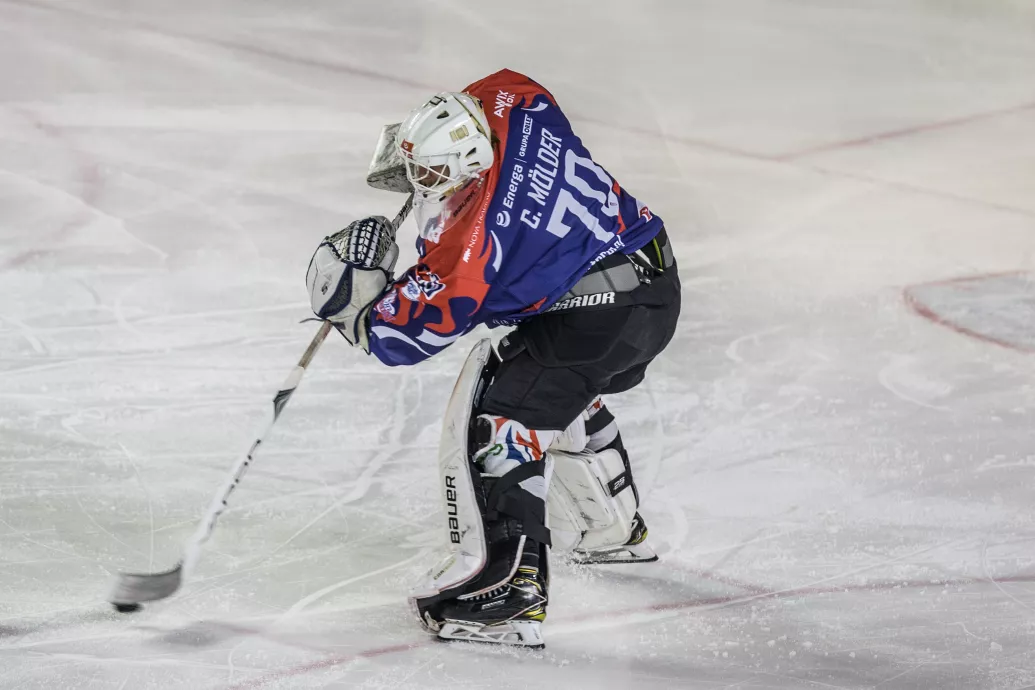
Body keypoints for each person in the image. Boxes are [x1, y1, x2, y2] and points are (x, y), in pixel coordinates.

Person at [306, 69, 680, 646]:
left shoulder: (474, 248)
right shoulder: (514, 103)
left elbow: (395, 338)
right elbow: (498, 91)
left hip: (601, 318)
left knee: (503, 424)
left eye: (434, 174)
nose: (422, 182)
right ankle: (610, 531)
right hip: (646, 281)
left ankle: (505, 593)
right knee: (546, 390)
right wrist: (427, 155)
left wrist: (350, 294)